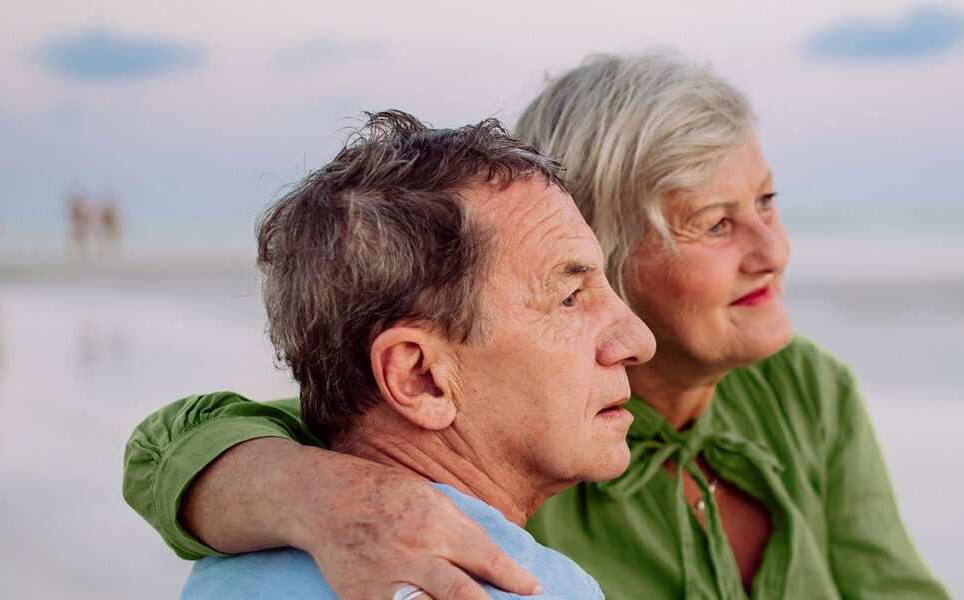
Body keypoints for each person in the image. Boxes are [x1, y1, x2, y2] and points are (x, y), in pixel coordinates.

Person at [124, 54, 949, 600]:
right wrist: (323, 498)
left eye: (766, 201)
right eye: (714, 223)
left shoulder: (806, 389)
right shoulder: (511, 428)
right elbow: (171, 449)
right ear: (605, 247)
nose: (775, 250)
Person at [181, 110, 653, 599]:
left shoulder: (224, 570)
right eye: (569, 298)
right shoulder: (533, 587)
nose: (638, 340)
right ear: (420, 377)